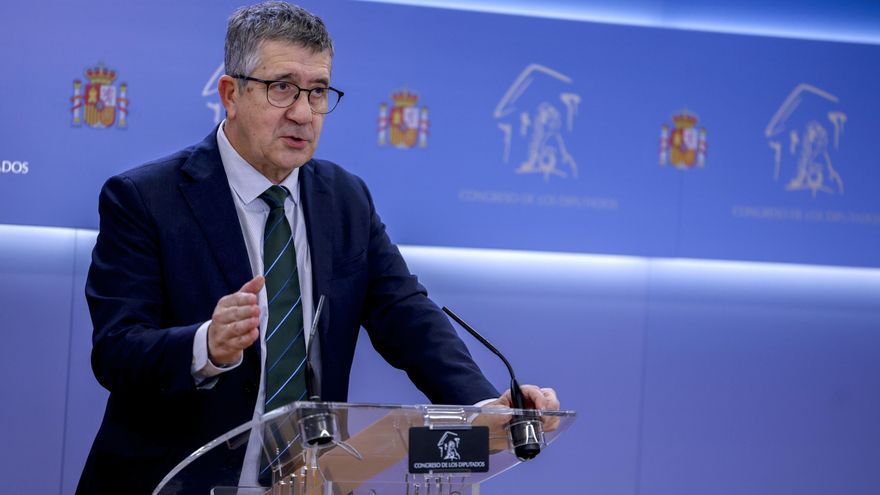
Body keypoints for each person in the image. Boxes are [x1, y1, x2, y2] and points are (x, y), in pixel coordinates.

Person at [77, 2, 558, 493]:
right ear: (231, 94)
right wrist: (206, 345)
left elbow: (405, 313)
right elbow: (116, 351)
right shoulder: (146, 198)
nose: (303, 113)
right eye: (282, 88)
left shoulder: (345, 198)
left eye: (319, 91)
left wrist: (482, 407)